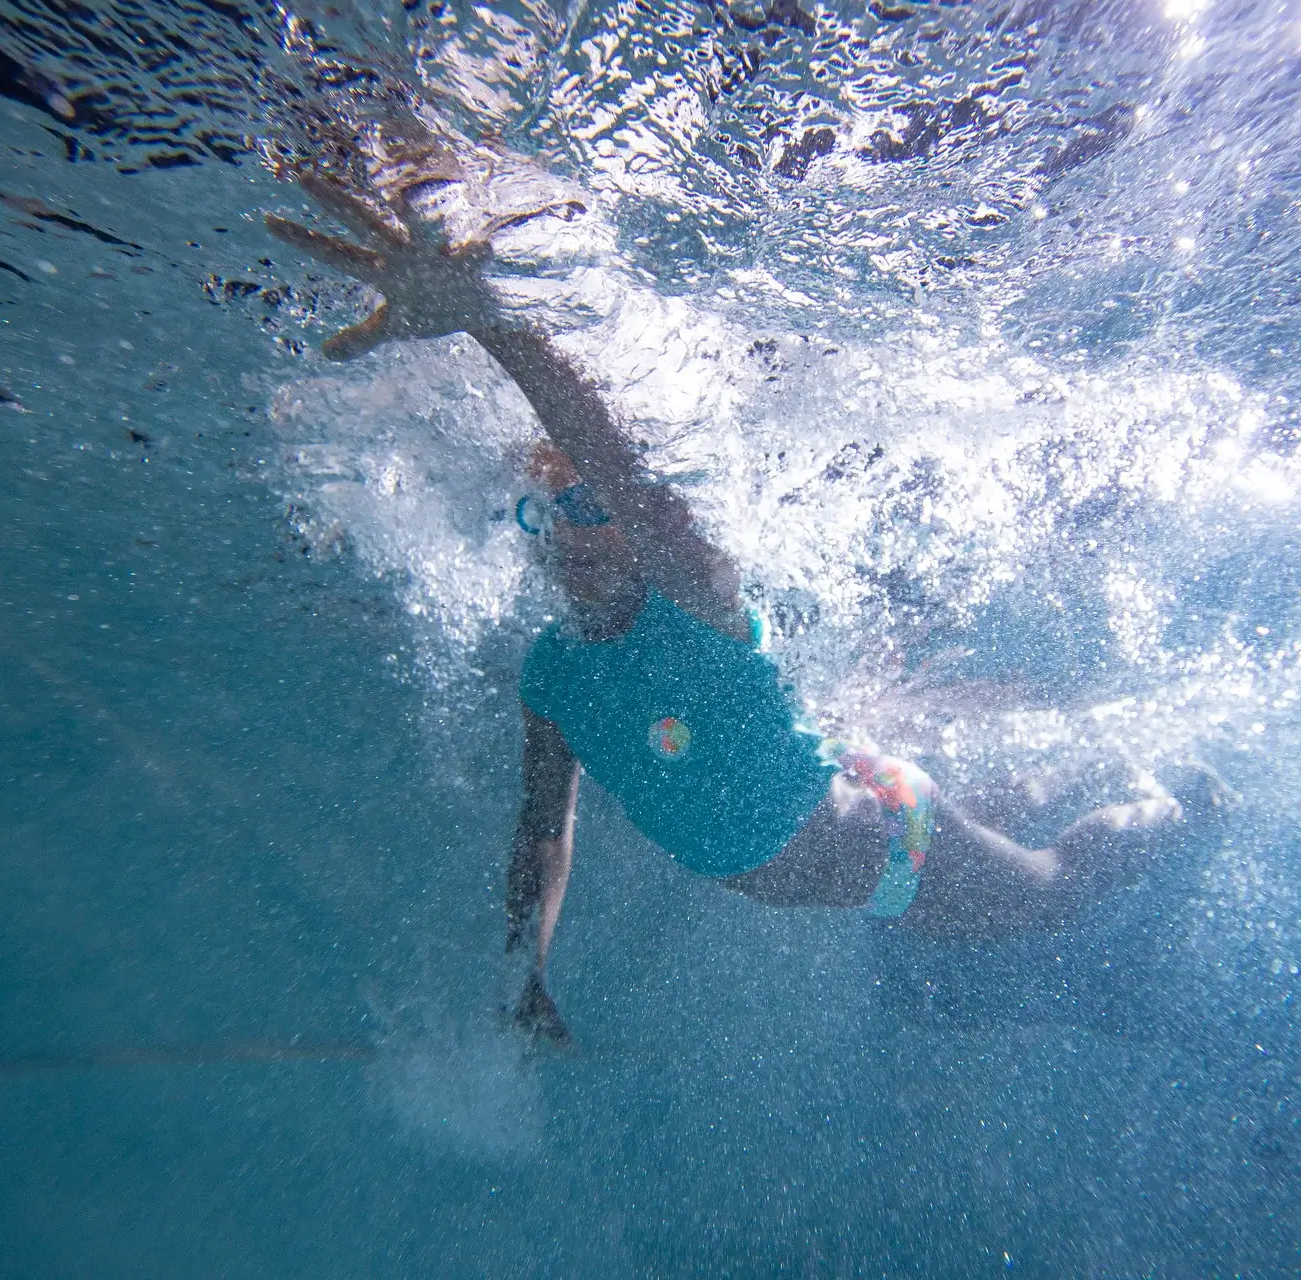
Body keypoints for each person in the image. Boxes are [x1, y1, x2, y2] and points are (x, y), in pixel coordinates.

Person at [265, 165, 1234, 1047]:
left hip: (886, 847)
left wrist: (493, 318)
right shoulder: (550, 674)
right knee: (993, 816)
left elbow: (613, 454)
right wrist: (529, 967)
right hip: (848, 816)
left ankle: (1178, 801)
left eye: (594, 507)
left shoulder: (694, 598)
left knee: (1049, 893)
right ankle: (1072, 760)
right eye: (547, 511)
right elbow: (542, 829)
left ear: (634, 521)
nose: (570, 526)